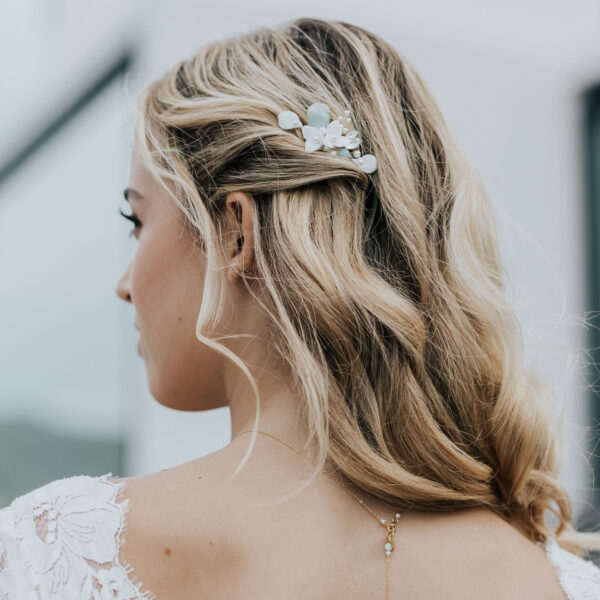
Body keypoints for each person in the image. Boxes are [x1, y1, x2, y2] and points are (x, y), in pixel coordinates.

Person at [1, 16, 599, 600]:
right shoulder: (564, 583)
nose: (125, 284)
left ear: (235, 231)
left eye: (138, 220)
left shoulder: (56, 553)